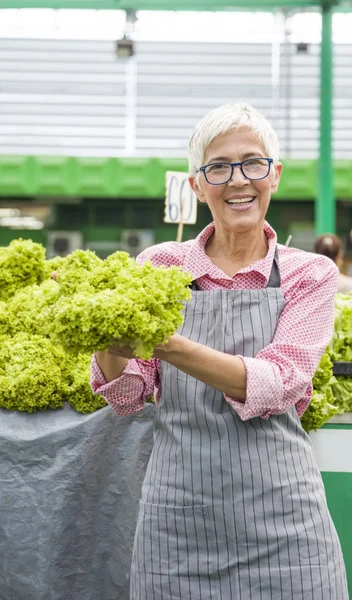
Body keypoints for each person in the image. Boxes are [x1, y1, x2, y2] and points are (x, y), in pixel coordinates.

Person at [90, 103, 348, 600]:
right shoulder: (159, 265)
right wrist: (105, 335)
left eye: (252, 163)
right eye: (218, 167)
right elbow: (127, 396)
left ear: (274, 174)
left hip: (285, 521)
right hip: (178, 521)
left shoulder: (310, 273)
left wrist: (165, 343)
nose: (237, 181)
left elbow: (275, 383)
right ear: (196, 184)